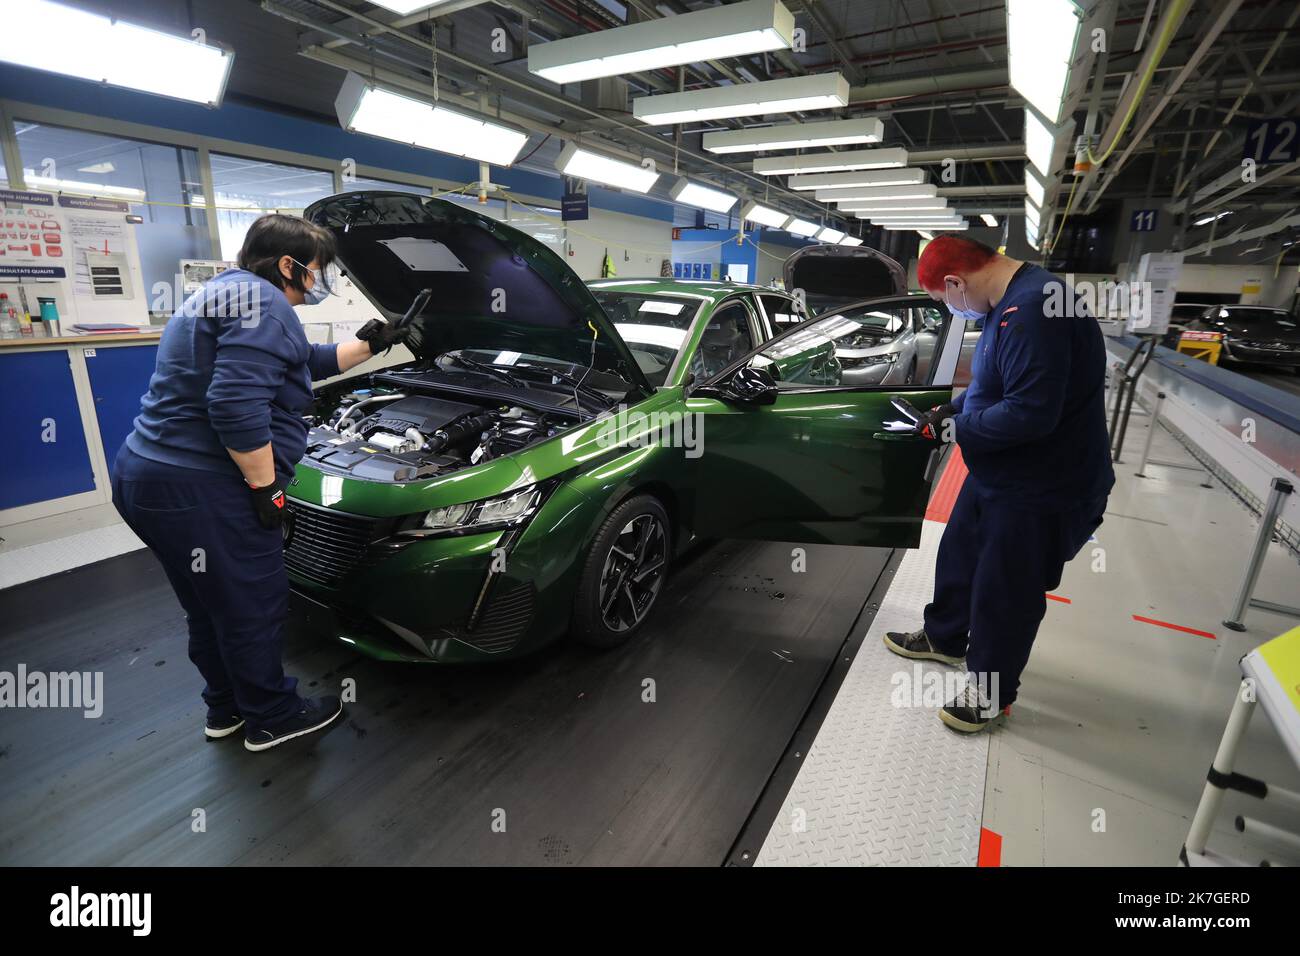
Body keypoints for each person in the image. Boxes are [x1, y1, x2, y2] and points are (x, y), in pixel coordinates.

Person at [112, 213, 413, 752]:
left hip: (146, 477)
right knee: (252, 604)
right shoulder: (266, 304)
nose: (320, 281)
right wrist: (266, 487)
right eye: (317, 270)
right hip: (202, 486)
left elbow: (300, 363)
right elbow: (232, 405)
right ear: (288, 265)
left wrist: (373, 343)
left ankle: (225, 709)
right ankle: (273, 717)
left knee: (209, 604)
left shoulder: (226, 293)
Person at [884, 235, 1114, 733]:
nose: (952, 311)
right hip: (1000, 473)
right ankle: (945, 638)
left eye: (945, 303)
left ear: (954, 283)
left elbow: (1030, 414)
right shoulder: (1007, 301)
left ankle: (991, 692)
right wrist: (954, 410)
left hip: (1041, 484)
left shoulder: (1033, 310)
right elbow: (994, 385)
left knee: (1005, 589)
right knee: (961, 557)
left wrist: (956, 430)